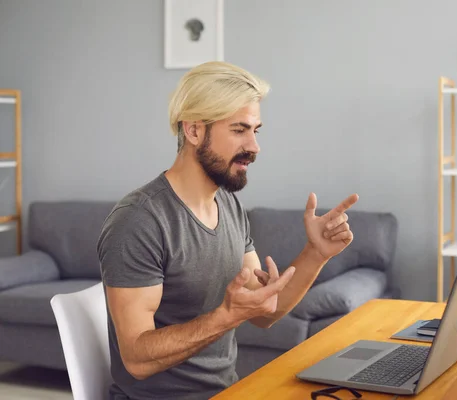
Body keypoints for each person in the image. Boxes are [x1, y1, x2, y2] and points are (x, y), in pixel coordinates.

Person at [96, 61, 359, 400]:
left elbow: (265, 312)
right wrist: (225, 317)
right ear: (193, 131)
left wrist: (316, 253)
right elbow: (136, 359)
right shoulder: (139, 221)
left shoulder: (229, 206)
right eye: (239, 130)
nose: (254, 146)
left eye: (256, 130)